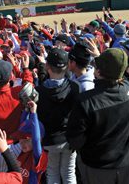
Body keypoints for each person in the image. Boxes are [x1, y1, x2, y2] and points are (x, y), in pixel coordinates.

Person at [67, 48, 129, 184]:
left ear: (97, 72)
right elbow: (121, 77)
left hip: (97, 167)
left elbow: (75, 141)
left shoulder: (85, 101)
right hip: (125, 164)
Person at [36, 48, 80, 184]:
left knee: (52, 174)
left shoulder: (39, 91)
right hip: (69, 139)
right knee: (69, 173)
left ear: (47, 66)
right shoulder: (74, 87)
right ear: (67, 66)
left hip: (50, 141)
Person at [12, 101, 48, 184]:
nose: (22, 143)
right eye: (21, 139)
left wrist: (33, 113)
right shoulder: (25, 150)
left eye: (27, 140)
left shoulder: (38, 155)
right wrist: (26, 110)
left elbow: (36, 140)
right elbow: (22, 125)